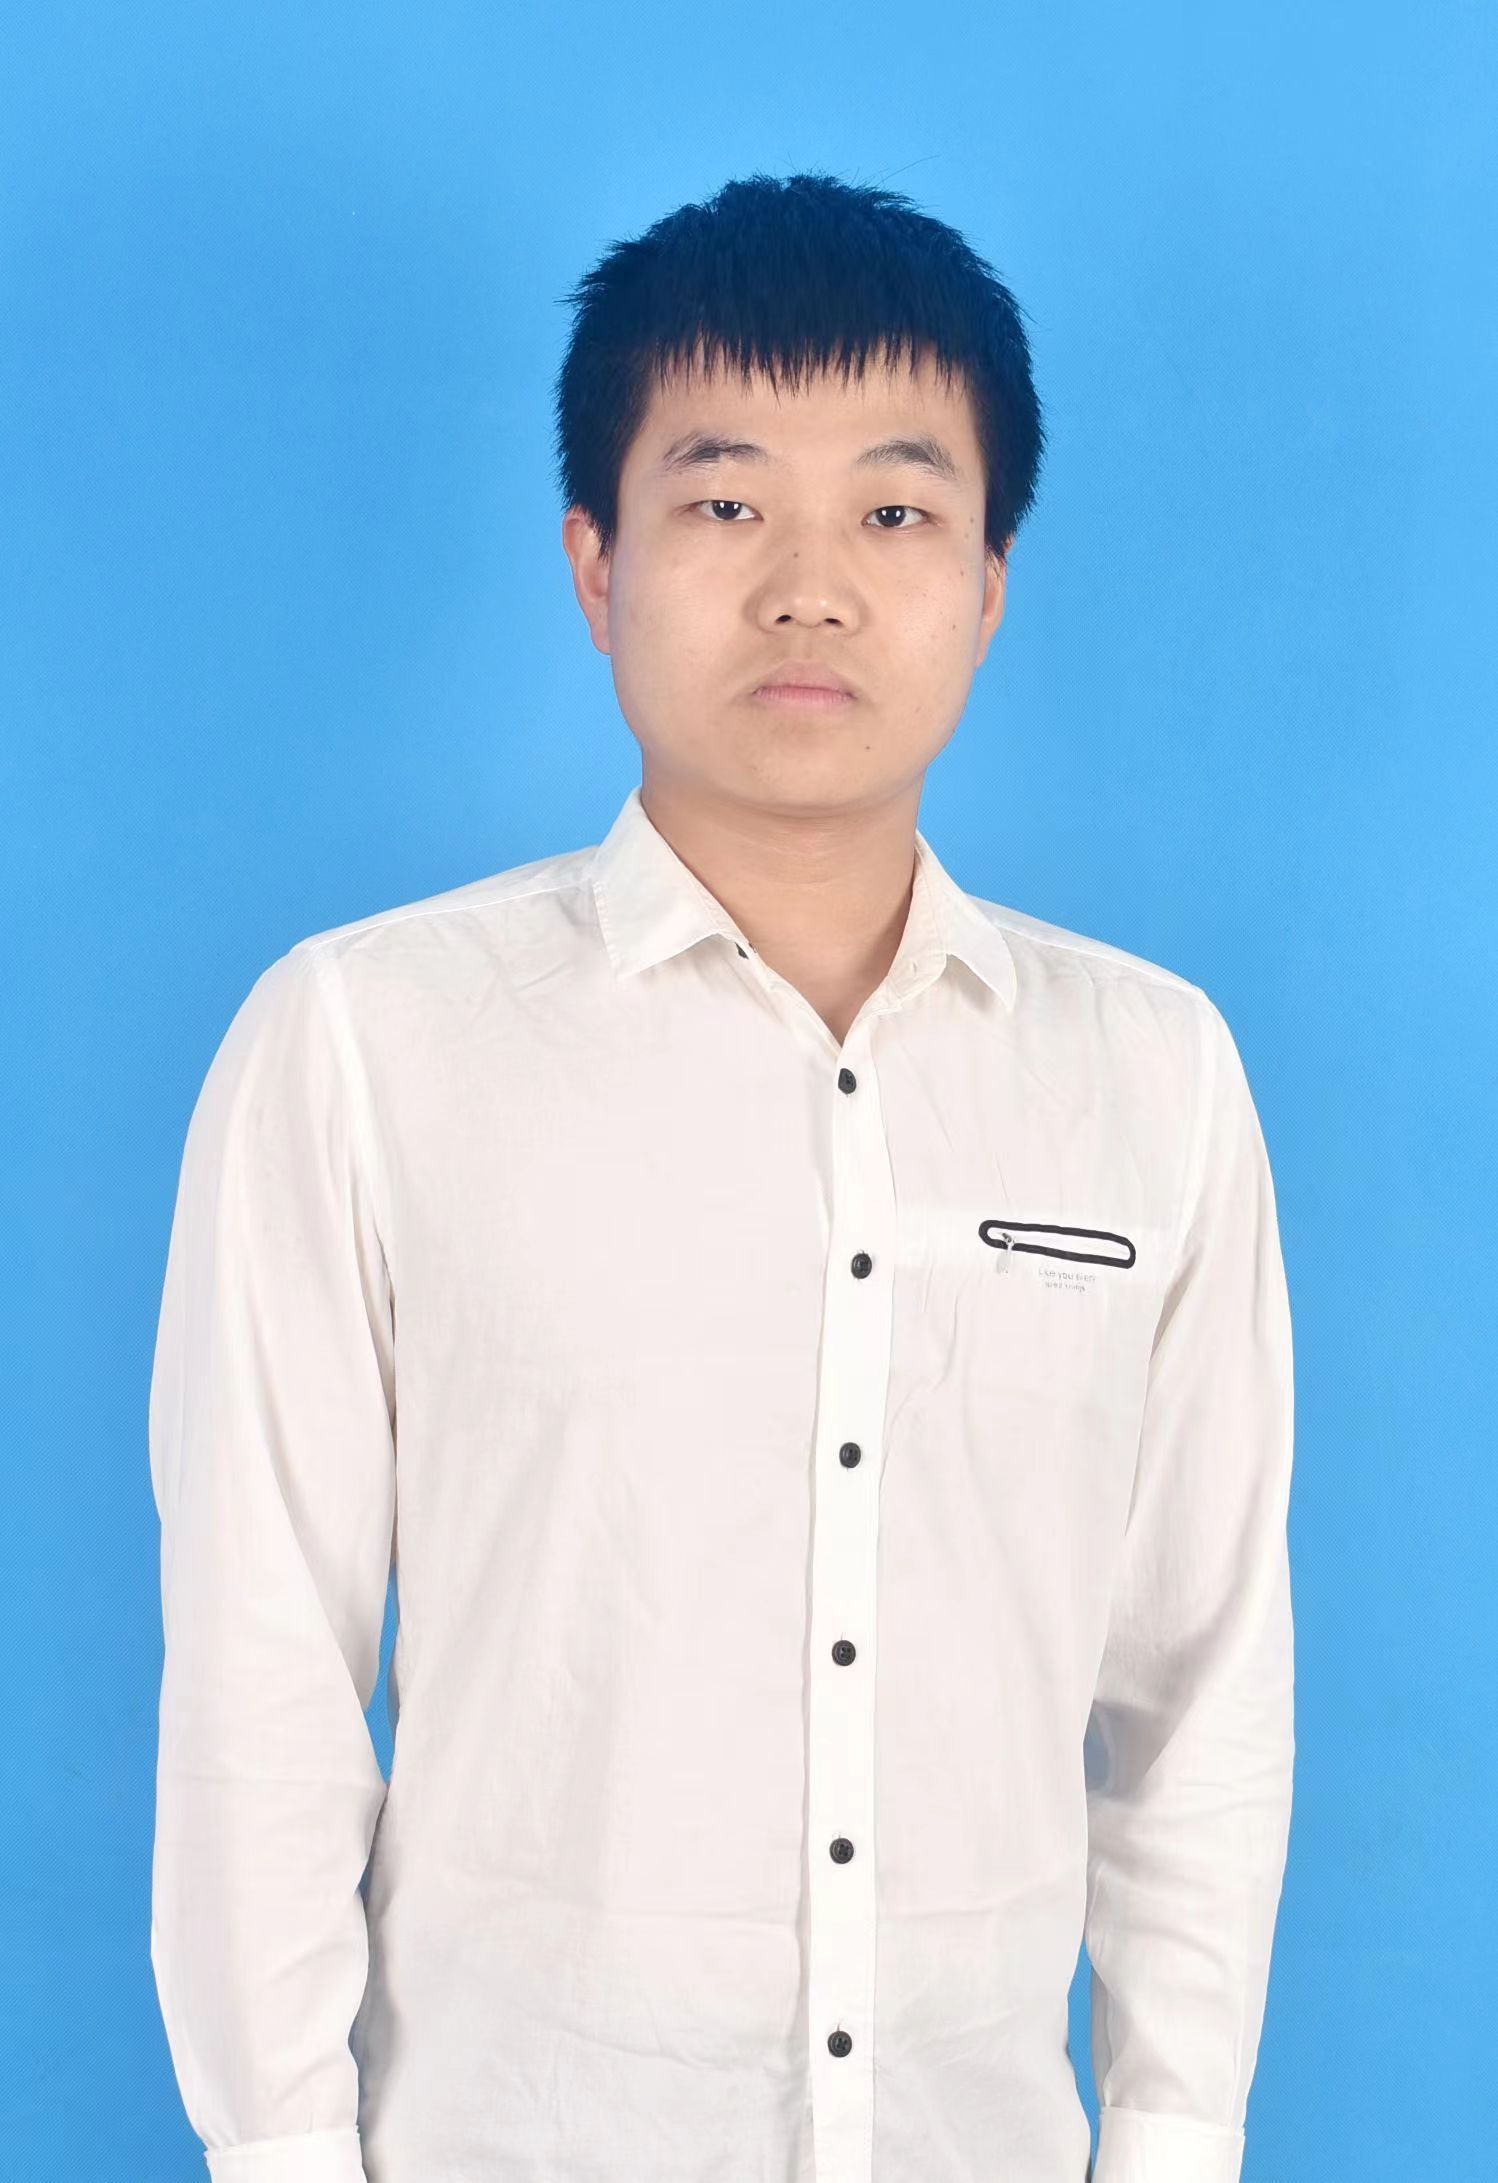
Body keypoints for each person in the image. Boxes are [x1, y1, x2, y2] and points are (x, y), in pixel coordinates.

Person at [147, 169, 1295, 2183]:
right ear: (593, 565)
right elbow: (265, 1675)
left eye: (894, 512)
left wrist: (1173, 2143)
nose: (809, 588)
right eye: (723, 501)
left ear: (989, 581)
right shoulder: (364, 1043)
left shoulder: (1152, 1075)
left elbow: (1200, 1694)